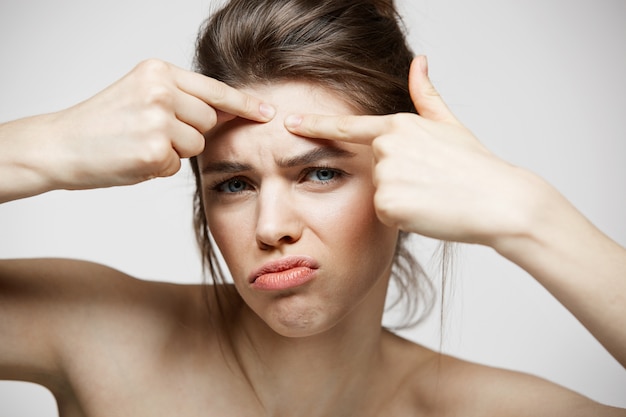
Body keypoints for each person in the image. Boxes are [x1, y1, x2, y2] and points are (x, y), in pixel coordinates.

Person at [1, 0, 625, 415]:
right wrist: (39, 147)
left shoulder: (490, 409)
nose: (271, 228)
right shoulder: (99, 337)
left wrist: (526, 212)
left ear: (406, 181)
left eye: (320, 173)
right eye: (234, 184)